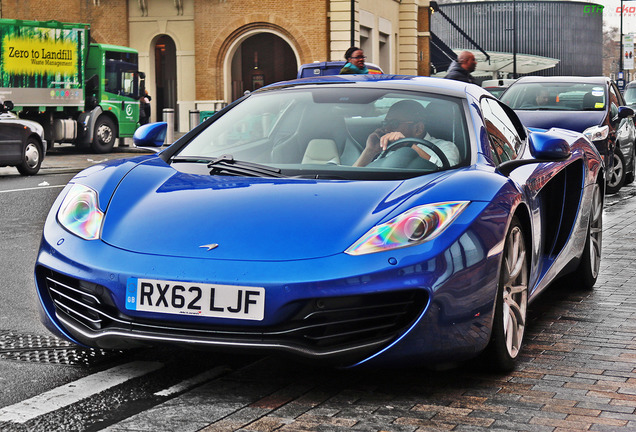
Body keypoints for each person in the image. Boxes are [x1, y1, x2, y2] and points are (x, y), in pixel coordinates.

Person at [354, 100, 460, 168]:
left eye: (394, 123)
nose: (387, 128)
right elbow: (353, 179)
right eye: (385, 123)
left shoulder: (445, 147)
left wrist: (409, 145)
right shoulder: (388, 150)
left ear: (418, 128)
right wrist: (370, 151)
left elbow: (446, 174)